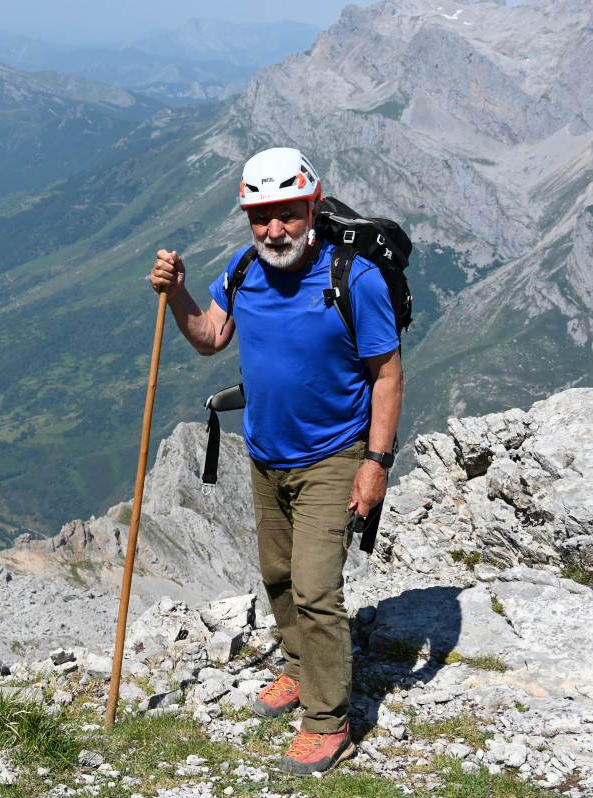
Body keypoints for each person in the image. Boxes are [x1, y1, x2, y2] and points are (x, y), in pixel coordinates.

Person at [149, 147, 403, 776]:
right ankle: (298, 666)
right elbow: (211, 337)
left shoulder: (356, 280)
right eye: (260, 217)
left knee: (317, 587)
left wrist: (377, 463)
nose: (274, 230)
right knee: (279, 576)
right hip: (266, 454)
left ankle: (327, 722)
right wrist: (180, 293)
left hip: (333, 457)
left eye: (286, 214)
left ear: (311, 208)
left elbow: (388, 374)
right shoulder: (243, 269)